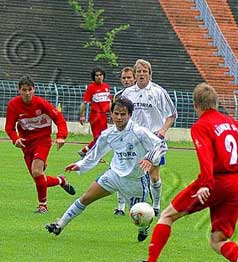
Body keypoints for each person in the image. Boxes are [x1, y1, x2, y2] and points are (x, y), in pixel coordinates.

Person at [128, 83, 238, 262]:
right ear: (216, 102)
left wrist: (206, 183)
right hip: (236, 183)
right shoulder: (230, 121)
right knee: (217, 238)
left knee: (167, 215)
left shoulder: (201, 126)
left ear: (196, 105)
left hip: (214, 182)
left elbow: (205, 156)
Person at [45, 96, 167, 241]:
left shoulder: (139, 132)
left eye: (123, 114)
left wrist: (149, 158)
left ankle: (143, 228)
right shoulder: (108, 134)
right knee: (85, 198)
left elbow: (161, 145)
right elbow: (96, 153)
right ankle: (59, 225)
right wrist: (80, 164)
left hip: (135, 182)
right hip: (113, 175)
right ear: (111, 114)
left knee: (139, 215)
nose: (119, 117)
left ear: (130, 115)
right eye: (116, 113)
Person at [5, 75, 76, 213]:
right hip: (26, 144)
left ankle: (43, 206)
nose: (27, 93)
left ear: (34, 90)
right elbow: (9, 127)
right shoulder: (13, 105)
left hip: (43, 140)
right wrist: (15, 139)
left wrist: (61, 136)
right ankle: (61, 180)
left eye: (29, 89)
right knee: (38, 178)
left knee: (37, 172)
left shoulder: (42, 103)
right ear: (19, 90)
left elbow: (59, 118)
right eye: (24, 90)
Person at [122, 59, 177, 217]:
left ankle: (156, 205)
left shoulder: (158, 92)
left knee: (153, 175)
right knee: (131, 173)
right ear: (135, 74)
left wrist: (163, 131)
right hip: (134, 139)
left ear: (150, 74)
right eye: (138, 71)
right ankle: (132, 206)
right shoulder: (128, 93)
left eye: (144, 71)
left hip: (153, 139)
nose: (141, 74)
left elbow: (172, 114)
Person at [113, 66, 136, 216]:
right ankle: (120, 207)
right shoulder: (118, 96)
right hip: (122, 138)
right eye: (124, 78)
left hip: (137, 139)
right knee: (121, 170)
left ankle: (138, 205)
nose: (127, 80)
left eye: (129, 77)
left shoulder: (139, 94)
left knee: (137, 173)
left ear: (134, 78)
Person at [78, 66, 111, 159]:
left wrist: (112, 114)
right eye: (96, 75)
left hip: (104, 115)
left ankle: (85, 151)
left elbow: (109, 102)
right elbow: (84, 103)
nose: (99, 77)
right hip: (95, 115)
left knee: (103, 136)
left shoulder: (106, 87)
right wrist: (82, 115)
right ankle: (89, 153)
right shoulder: (91, 88)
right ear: (94, 77)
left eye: (100, 75)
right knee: (98, 137)